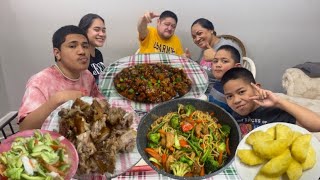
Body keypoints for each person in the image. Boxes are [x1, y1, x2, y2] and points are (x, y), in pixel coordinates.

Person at [18, 25, 105, 131]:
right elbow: (24, 128)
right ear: (57, 53)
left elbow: (98, 101)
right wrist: (56, 100)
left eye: (85, 46)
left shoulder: (87, 75)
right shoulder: (40, 82)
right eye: (73, 46)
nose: (82, 51)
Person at [221, 67, 320, 136]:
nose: (236, 100)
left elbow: (317, 125)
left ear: (256, 88)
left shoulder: (274, 111)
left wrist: (279, 103)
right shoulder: (234, 116)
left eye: (241, 92)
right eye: (229, 96)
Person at [191, 18, 242, 89]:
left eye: (199, 33)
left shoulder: (227, 46)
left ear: (211, 30)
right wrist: (189, 59)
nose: (197, 39)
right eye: (194, 37)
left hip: (217, 92)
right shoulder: (206, 46)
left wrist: (215, 57)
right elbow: (200, 66)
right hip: (202, 87)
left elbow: (237, 74)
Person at [207, 45, 241, 113]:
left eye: (224, 61)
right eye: (215, 61)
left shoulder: (235, 91)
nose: (218, 65)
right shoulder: (217, 82)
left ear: (236, 67)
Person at [79, 13, 106, 83]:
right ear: (84, 31)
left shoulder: (98, 54)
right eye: (97, 30)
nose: (102, 34)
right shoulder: (80, 57)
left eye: (103, 30)